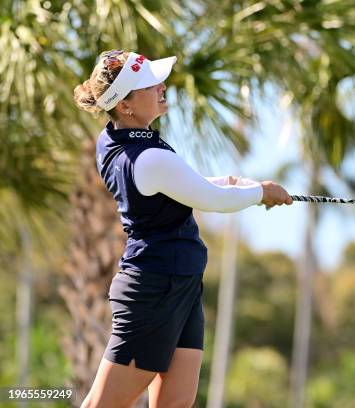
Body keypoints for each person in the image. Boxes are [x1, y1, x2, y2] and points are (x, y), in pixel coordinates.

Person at [73, 50, 293, 408]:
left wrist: (231, 182)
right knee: (104, 404)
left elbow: (181, 186)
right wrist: (261, 192)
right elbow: (212, 200)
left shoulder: (116, 139)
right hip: (154, 287)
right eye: (150, 85)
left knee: (175, 403)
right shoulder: (148, 157)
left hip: (181, 283)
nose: (162, 87)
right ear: (125, 105)